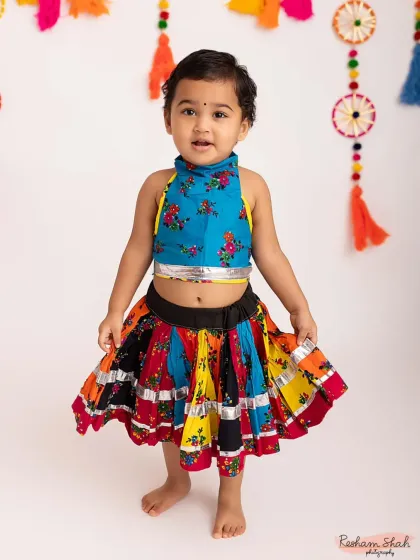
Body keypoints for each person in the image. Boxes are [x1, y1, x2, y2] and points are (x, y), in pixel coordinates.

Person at [71, 49, 348, 539]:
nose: (202, 124)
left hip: (230, 331)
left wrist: (298, 306)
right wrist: (115, 311)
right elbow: (137, 249)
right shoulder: (157, 186)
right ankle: (177, 479)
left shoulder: (251, 187)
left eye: (220, 114)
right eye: (188, 110)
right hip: (166, 325)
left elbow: (270, 254)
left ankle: (230, 495)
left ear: (243, 127)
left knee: (229, 413)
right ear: (168, 120)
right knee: (170, 404)